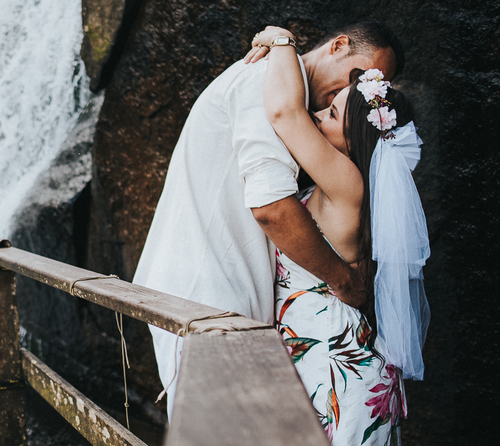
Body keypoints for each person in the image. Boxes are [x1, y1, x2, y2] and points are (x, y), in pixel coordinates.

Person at [132, 23, 403, 410]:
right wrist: (345, 280)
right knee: (215, 436)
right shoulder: (265, 79)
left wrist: (281, 40)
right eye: (359, 76)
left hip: (229, 303)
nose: (359, 91)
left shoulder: (299, 109)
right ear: (339, 46)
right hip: (209, 297)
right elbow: (272, 206)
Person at [246, 24, 430, 446]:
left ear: (354, 138)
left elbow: (284, 113)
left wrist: (281, 41)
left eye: (331, 114)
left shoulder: (347, 183)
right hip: (330, 357)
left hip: (339, 368)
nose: (318, 113)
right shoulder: (349, 186)